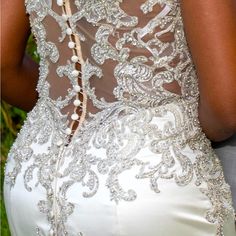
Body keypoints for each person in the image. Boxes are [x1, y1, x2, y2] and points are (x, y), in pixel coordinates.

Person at [2, 0, 236, 235]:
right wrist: (173, 126)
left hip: (35, 173)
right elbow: (224, 108)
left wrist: (65, 113)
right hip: (148, 180)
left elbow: (3, 66)